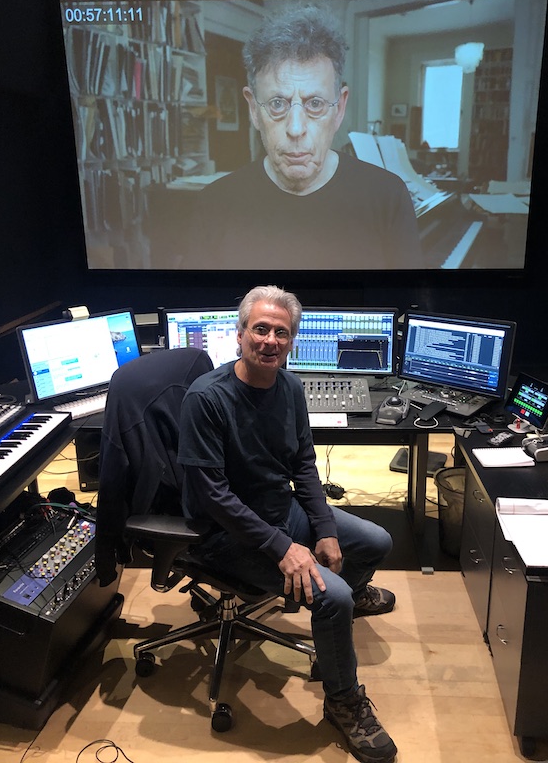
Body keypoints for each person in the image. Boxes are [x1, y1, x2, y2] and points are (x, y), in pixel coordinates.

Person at [178, 285, 398, 763]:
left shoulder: (291, 387)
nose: (270, 341)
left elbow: (302, 465)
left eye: (281, 332)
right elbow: (211, 496)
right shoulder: (206, 399)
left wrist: (323, 529)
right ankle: (343, 701)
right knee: (332, 596)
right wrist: (283, 547)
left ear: (292, 341)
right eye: (260, 329)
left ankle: (339, 612)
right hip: (225, 535)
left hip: (280, 512)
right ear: (239, 335)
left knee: (376, 541)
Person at [185, 4, 422, 271]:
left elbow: (407, 305)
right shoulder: (214, 205)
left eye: (315, 104)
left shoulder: (388, 198)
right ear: (253, 109)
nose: (296, 129)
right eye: (277, 104)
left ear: (339, 108)